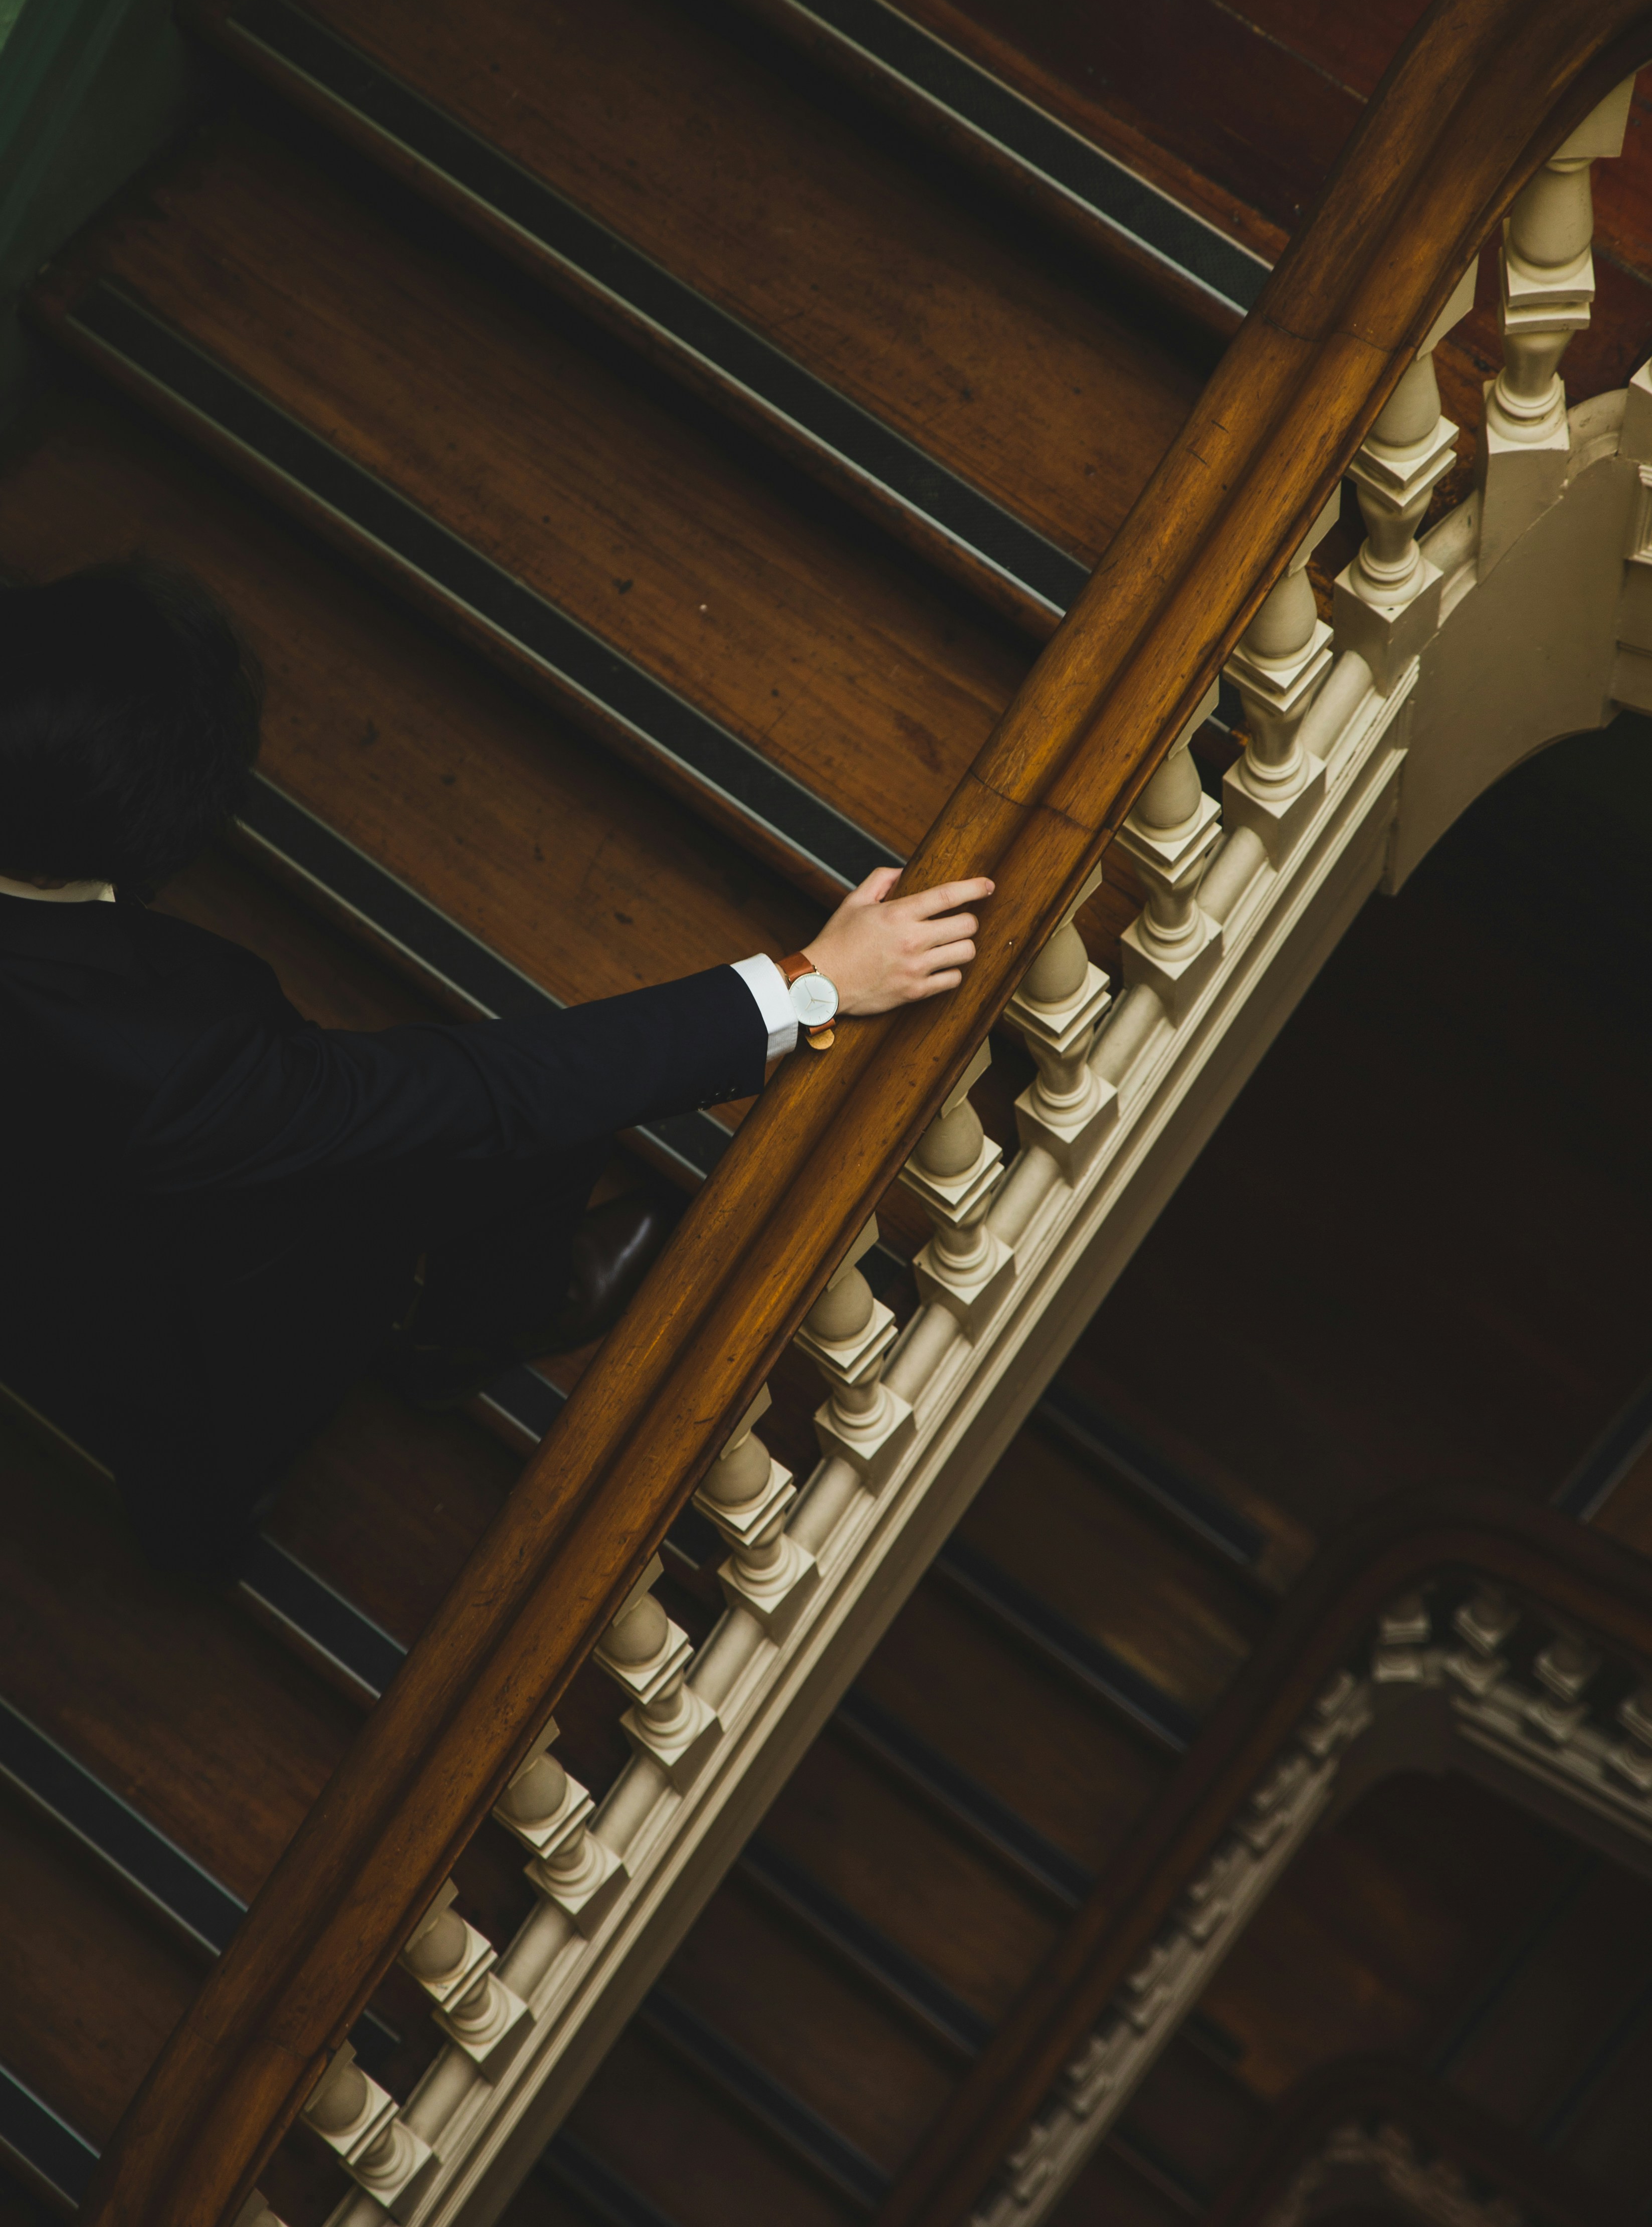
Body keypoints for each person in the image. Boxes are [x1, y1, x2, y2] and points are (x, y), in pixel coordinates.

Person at [0, 557, 992, 1582]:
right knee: (530, 1137)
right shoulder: (166, 1066)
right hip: (165, 1299)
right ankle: (452, 1352)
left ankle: (197, 1525)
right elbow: (487, 1089)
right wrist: (810, 983)